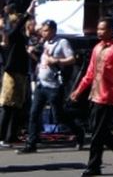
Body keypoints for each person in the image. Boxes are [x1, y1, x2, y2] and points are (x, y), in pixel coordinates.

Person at [70, 18, 113, 176]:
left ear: (110, 30)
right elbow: (89, 74)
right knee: (97, 130)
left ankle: (93, 165)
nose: (99, 32)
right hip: (94, 95)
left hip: (107, 96)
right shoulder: (97, 48)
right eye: (98, 29)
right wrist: (78, 91)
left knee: (97, 134)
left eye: (103, 29)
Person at [17, 19, 85, 153]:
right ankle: (31, 144)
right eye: (42, 30)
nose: (43, 33)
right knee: (34, 113)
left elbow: (72, 59)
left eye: (46, 30)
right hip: (41, 84)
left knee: (59, 116)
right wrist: (32, 54)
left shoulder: (62, 42)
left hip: (54, 86)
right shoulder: (44, 43)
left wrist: (56, 60)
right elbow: (43, 61)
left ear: (53, 30)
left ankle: (78, 132)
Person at [0, 11, 31, 147]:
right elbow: (16, 28)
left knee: (17, 106)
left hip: (21, 73)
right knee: (7, 106)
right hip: (11, 74)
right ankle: (1, 137)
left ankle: (11, 136)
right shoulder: (12, 36)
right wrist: (26, 15)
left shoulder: (21, 37)